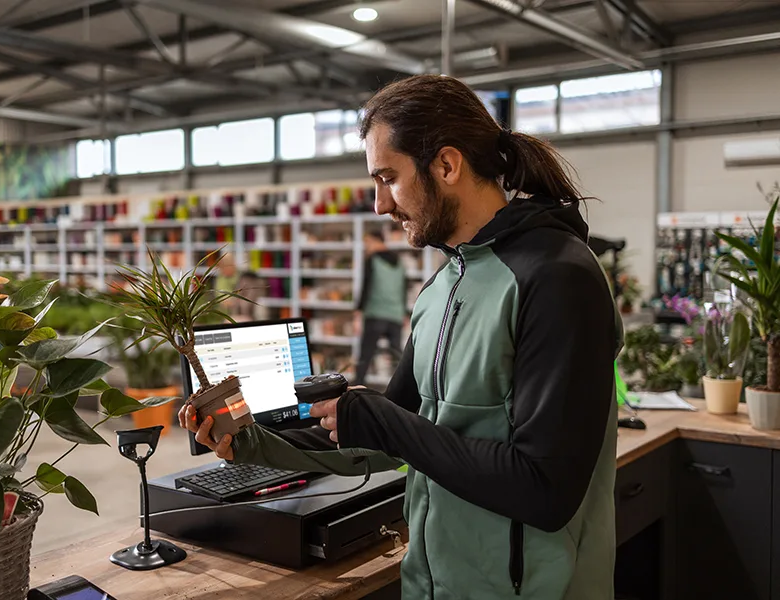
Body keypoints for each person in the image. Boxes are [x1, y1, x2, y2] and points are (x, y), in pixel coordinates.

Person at [180, 74, 620, 600]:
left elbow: (546, 490)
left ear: (447, 165)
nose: (379, 204)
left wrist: (385, 420)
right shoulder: (442, 286)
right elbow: (391, 438)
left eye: (388, 177)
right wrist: (250, 442)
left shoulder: (556, 277)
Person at [353, 230, 407, 384]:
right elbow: (403, 289)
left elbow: (366, 287)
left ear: (375, 240)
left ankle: (356, 389)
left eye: (367, 242)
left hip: (375, 313)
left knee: (366, 355)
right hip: (395, 314)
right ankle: (403, 389)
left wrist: (358, 314)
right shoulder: (399, 261)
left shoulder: (372, 259)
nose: (366, 246)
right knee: (397, 356)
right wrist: (403, 313)